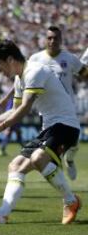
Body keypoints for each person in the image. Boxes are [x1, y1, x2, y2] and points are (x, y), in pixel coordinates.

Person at [0, 39, 81, 224]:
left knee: (38, 159)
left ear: (11, 59)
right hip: (50, 129)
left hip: (66, 127)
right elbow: (14, 109)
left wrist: (0, 127)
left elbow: (25, 108)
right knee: (16, 166)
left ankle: (70, 201)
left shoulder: (34, 71)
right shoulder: (20, 78)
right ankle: (1, 215)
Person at [28, 26, 88, 180]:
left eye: (56, 38)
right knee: (52, 152)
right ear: (45, 40)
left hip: (67, 109)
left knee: (74, 144)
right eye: (49, 38)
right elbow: (22, 80)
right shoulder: (35, 59)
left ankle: (69, 159)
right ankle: (64, 189)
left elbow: (84, 73)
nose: (52, 41)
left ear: (61, 40)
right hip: (47, 112)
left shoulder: (70, 58)